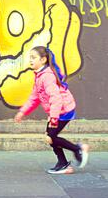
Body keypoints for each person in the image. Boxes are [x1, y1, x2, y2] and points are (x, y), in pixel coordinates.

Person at [14, 46, 90, 174]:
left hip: (63, 111)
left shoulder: (46, 76)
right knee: (50, 137)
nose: (30, 60)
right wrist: (23, 112)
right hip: (58, 111)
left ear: (43, 59)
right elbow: (35, 97)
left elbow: (56, 98)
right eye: (30, 58)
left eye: (33, 58)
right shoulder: (39, 76)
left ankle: (77, 150)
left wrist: (53, 118)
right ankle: (64, 163)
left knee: (51, 137)